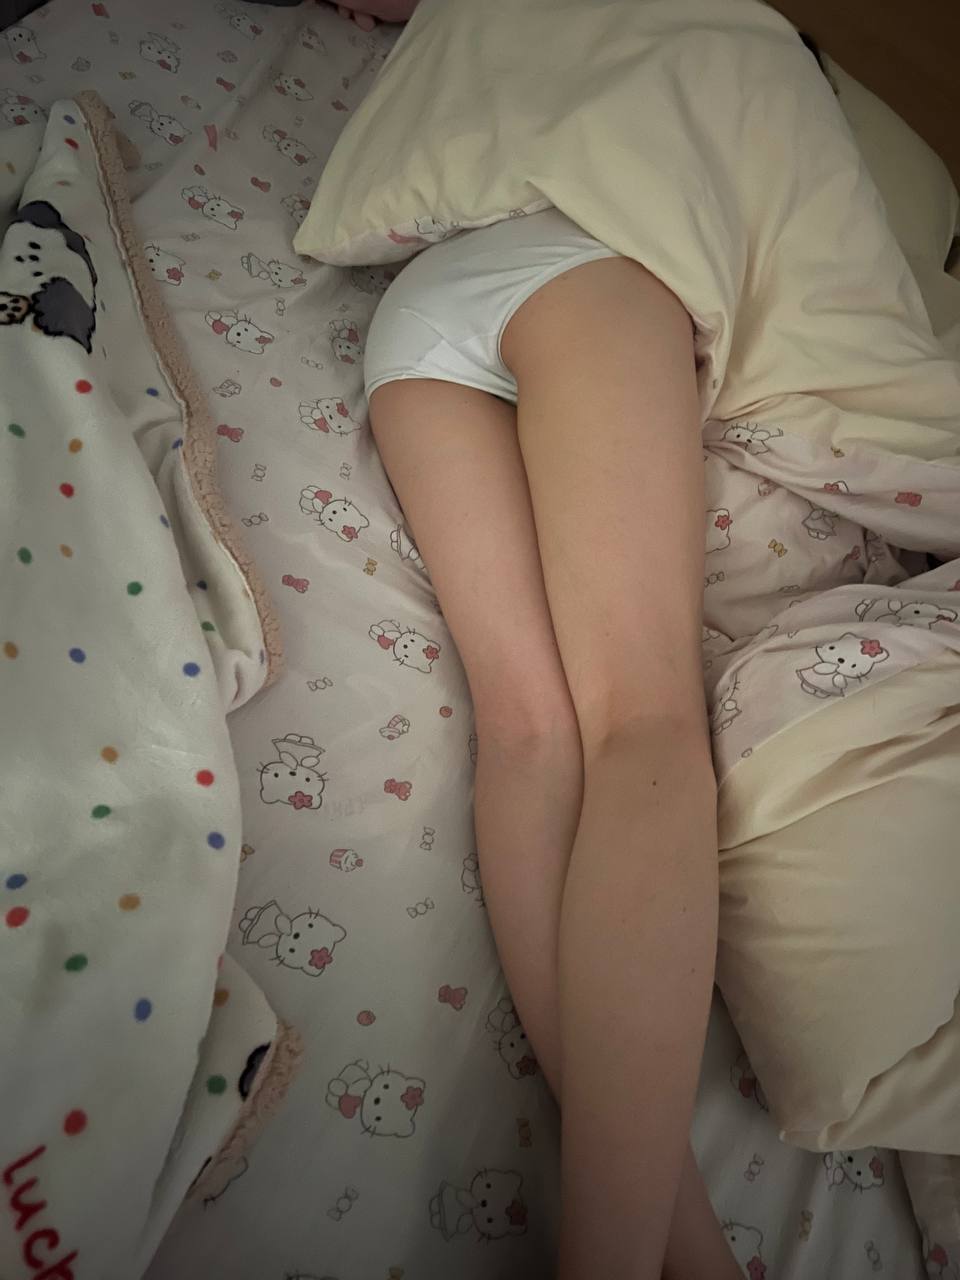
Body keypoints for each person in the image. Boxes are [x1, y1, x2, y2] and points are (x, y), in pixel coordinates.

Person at [336, 4, 744, 1278]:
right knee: (645, 724)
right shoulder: (732, 48)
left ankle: (685, 1249)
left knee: (529, 732)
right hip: (582, 272)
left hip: (415, 328)